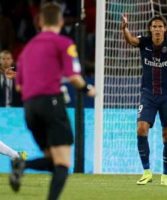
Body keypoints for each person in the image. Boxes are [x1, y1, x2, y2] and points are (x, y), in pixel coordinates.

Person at [9, 2, 96, 200]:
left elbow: (19, 87)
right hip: (51, 104)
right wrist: (88, 89)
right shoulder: (63, 43)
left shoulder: (26, 49)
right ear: (61, 20)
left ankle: (22, 164)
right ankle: (23, 166)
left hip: (29, 109)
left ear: (39, 22)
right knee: (63, 165)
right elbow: (74, 77)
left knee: (53, 160)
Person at [121, 14, 167, 186]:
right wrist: (125, 28)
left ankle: (165, 175)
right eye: (154, 26)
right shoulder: (144, 42)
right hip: (148, 94)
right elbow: (131, 40)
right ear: (150, 29)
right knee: (141, 129)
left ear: (165, 29)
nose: (157, 29)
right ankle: (147, 172)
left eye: (160, 26)